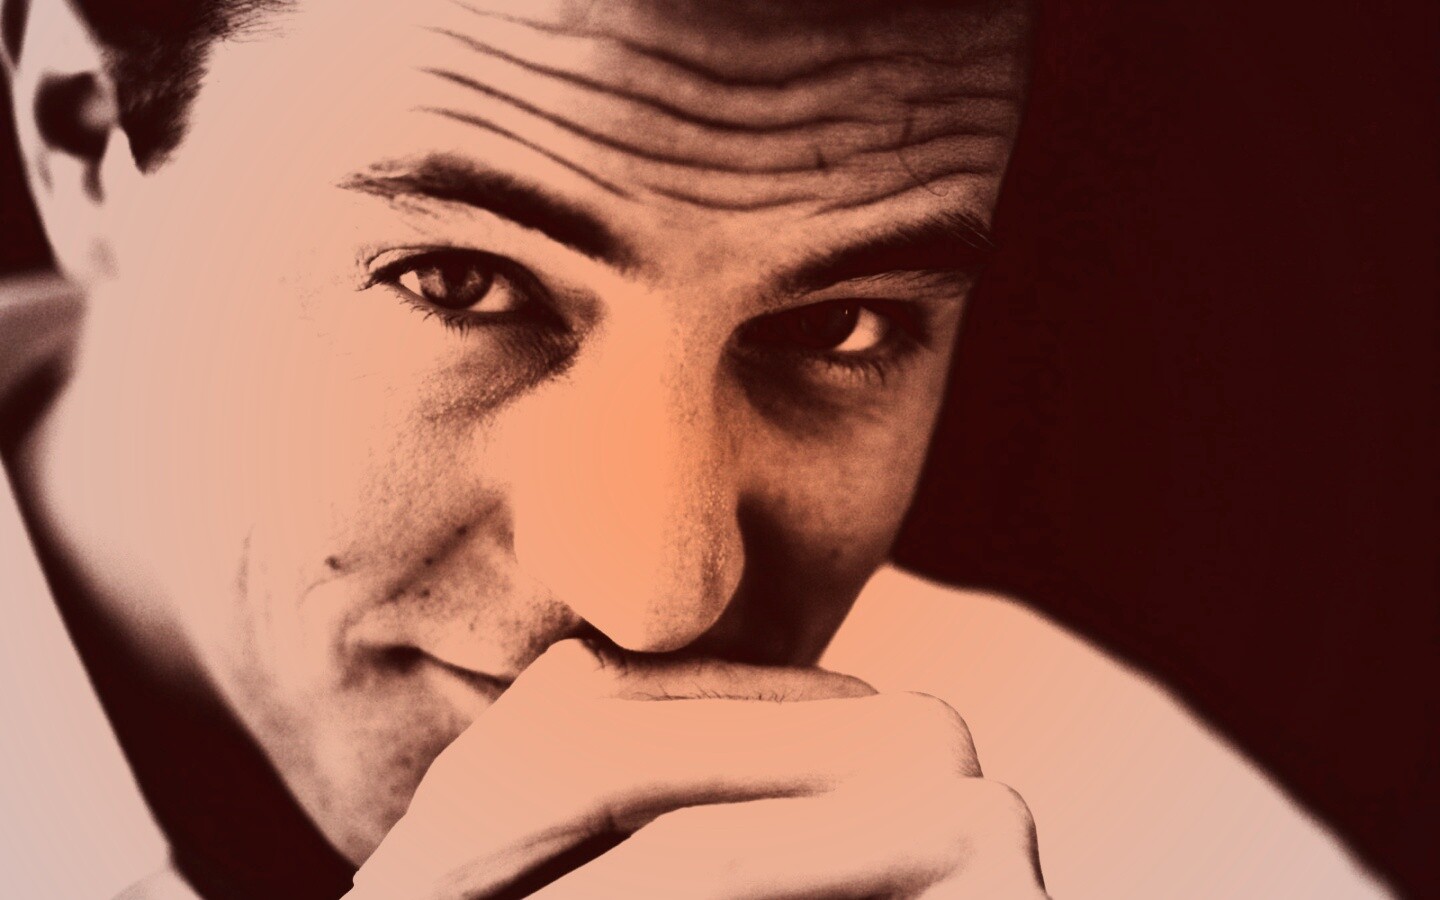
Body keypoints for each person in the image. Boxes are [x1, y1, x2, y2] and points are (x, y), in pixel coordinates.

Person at [0, 0, 1390, 896]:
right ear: (84, 141)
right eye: (463, 284)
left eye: (836, 325)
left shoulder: (1117, 821)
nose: (659, 598)